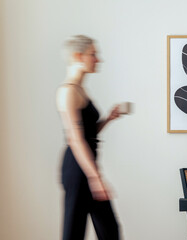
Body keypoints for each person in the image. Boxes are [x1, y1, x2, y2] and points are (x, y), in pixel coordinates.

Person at [56, 35, 120, 240]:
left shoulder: (81, 90)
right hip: (77, 169)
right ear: (78, 56)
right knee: (74, 232)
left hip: (86, 166)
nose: (97, 59)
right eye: (93, 54)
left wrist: (108, 119)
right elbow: (75, 139)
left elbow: (87, 133)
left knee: (109, 230)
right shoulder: (68, 92)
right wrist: (95, 177)